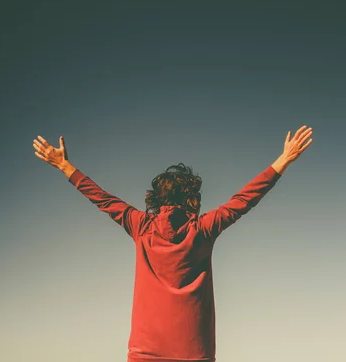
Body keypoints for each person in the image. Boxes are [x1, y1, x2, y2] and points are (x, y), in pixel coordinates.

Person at [32, 125, 313, 362]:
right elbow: (243, 200)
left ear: (156, 198)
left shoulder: (140, 225)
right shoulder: (203, 229)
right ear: (193, 199)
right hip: (195, 353)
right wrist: (283, 160)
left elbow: (102, 199)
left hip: (145, 353)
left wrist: (63, 165)